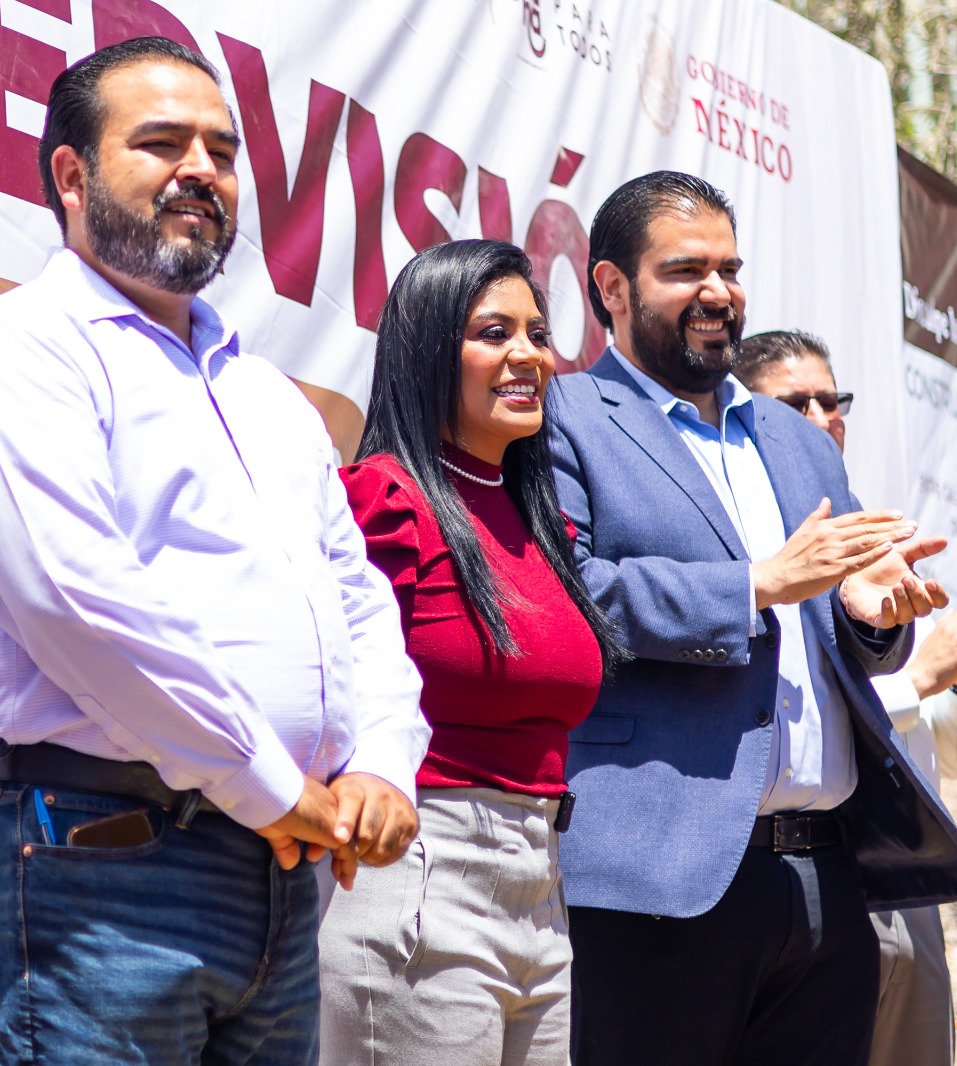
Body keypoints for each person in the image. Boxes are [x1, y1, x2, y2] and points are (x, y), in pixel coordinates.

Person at [0, 38, 429, 1065]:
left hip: (282, 870)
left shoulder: (264, 395)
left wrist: (379, 762)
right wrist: (268, 781)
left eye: (222, 150)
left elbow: (356, 598)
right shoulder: (19, 349)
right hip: (100, 861)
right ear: (71, 173)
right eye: (160, 142)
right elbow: (76, 602)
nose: (202, 168)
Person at [545, 170, 957, 1066]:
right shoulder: (566, 417)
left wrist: (871, 619)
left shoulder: (797, 442)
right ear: (610, 288)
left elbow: (851, 628)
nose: (720, 292)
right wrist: (752, 583)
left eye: (731, 267)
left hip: (826, 882)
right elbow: (572, 594)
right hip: (661, 878)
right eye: (686, 270)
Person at [318, 240, 622, 1066]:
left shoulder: (544, 528)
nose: (528, 355)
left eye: (536, 332)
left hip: (543, 889)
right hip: (418, 876)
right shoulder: (384, 501)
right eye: (494, 332)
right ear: (428, 348)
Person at [737, 328, 957, 1066]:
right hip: (806, 872)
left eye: (830, 399)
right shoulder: (752, 553)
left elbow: (953, 754)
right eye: (794, 401)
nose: (821, 415)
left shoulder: (879, 547)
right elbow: (790, 716)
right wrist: (923, 675)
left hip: (903, 884)